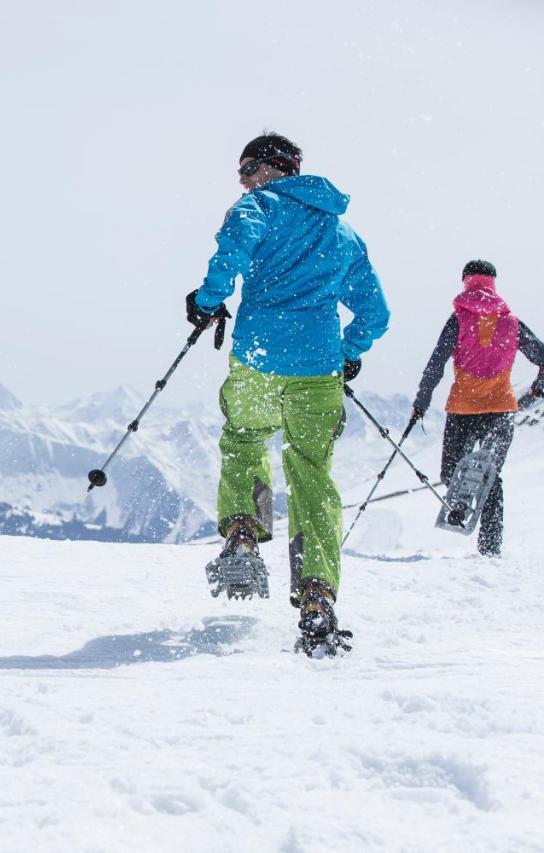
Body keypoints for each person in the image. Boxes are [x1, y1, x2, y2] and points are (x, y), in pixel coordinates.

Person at [187, 133, 389, 655]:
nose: (242, 180)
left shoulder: (255, 206)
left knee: (246, 440)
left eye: (245, 169)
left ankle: (244, 533)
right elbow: (375, 313)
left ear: (266, 166)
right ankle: (318, 595)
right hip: (319, 367)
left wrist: (207, 300)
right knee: (311, 474)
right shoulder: (341, 231)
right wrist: (348, 351)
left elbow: (229, 256)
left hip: (257, 356)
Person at [411, 260, 544, 557]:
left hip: (462, 409)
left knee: (451, 473)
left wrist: (421, 402)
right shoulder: (512, 322)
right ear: (493, 282)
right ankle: (490, 548)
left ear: (465, 281)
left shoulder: (458, 319)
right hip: (501, 409)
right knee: (492, 476)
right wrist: (539, 387)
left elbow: (436, 363)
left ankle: (460, 506)